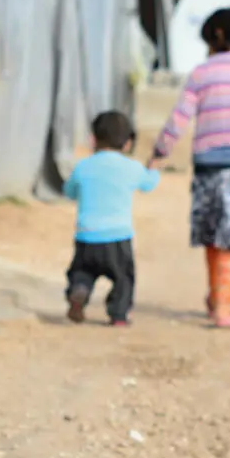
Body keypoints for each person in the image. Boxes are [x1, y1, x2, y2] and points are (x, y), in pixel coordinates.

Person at [147, 8, 230, 328]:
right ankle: (222, 306)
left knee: (212, 233)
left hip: (207, 166)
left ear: (218, 36)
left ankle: (216, 297)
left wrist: (159, 153)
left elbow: (179, 118)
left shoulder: (202, 72)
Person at [62, 111, 161, 327]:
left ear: (93, 140)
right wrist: (153, 170)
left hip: (86, 236)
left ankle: (80, 289)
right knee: (123, 278)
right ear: (127, 144)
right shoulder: (132, 167)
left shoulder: (83, 166)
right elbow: (148, 184)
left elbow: (69, 191)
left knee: (82, 271)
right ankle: (118, 314)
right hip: (118, 237)